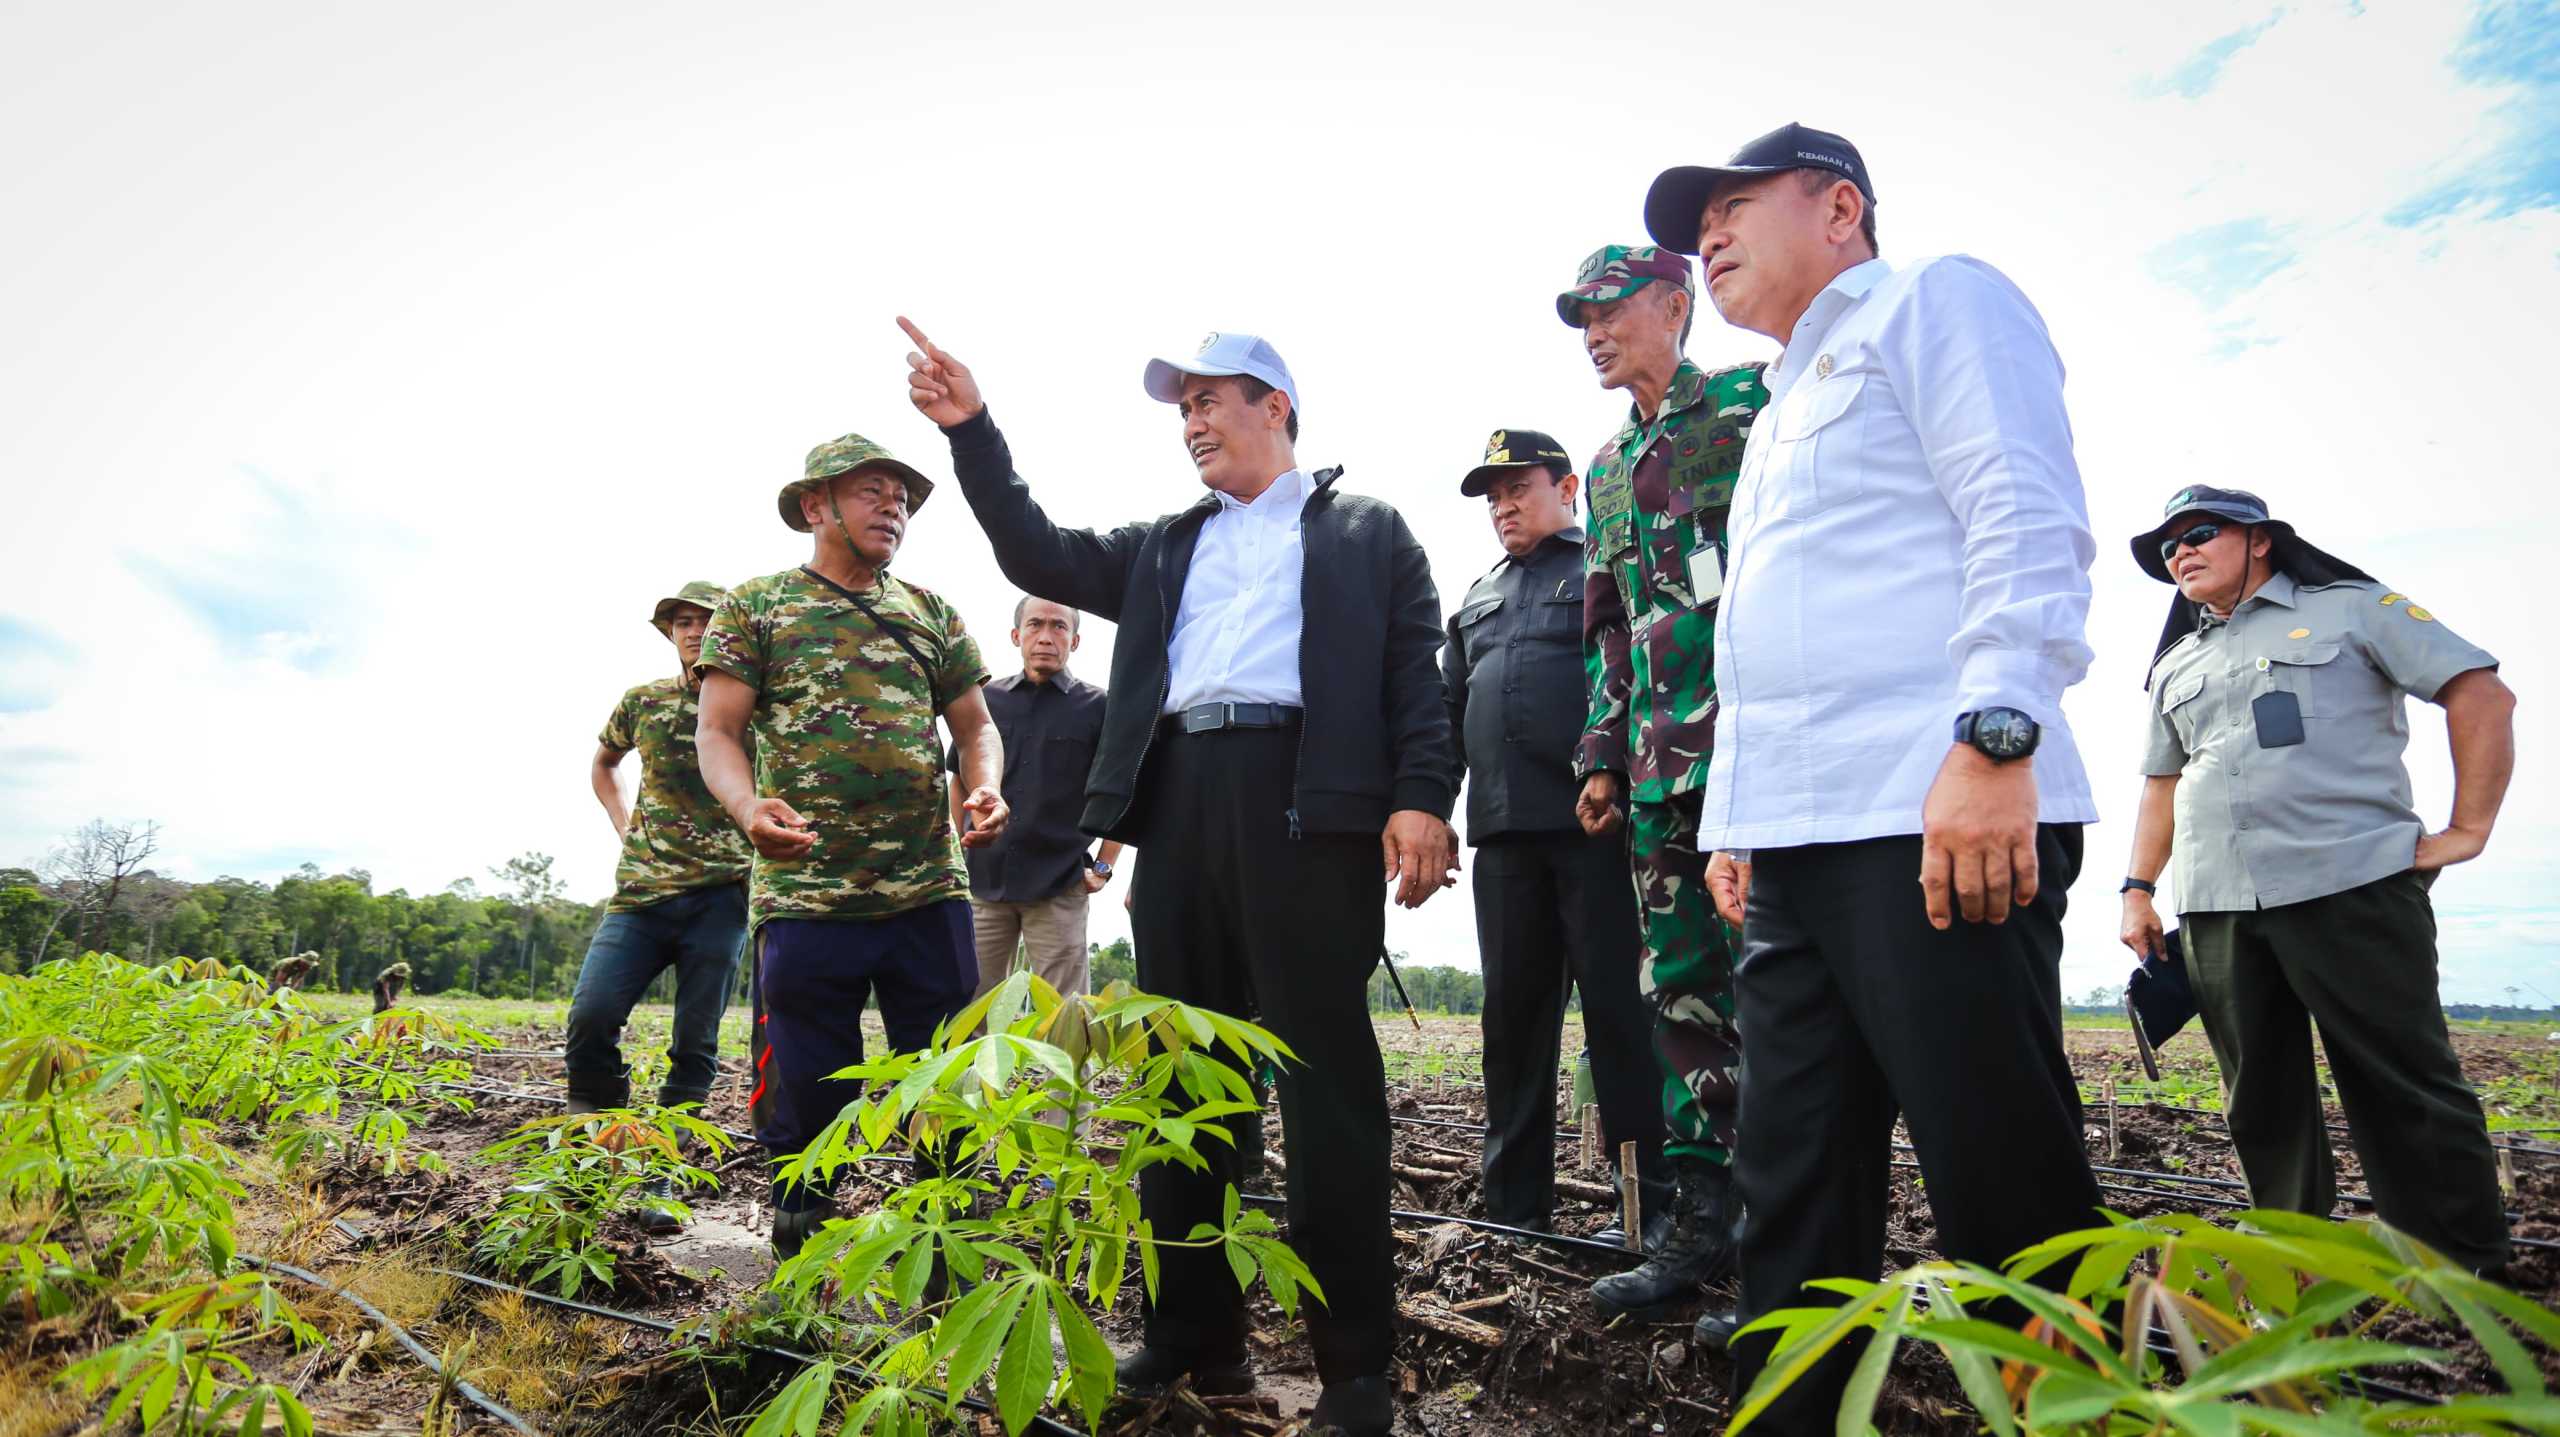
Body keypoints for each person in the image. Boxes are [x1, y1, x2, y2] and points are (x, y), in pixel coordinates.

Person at [900, 317, 1457, 1437]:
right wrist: (972, 431)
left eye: (1212, 399)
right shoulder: (1166, 543)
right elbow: (1035, 550)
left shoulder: (1364, 532)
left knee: (1323, 1079)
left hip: (1313, 811)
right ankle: (1192, 1332)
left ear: (1276, 410)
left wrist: (1420, 800)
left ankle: (1354, 1365)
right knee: (1180, 1078)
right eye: (1183, 405)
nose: (1192, 421)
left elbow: (1417, 672)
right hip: (1184, 802)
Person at [1657, 121, 2105, 1425]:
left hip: (1936, 817)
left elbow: (2023, 514)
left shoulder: (1936, 302)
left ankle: (2071, 1410)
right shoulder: (1781, 402)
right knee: (1789, 1188)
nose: (1710, 239)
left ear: (1840, 207)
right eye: (1701, 226)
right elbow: (1771, 628)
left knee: (2004, 1190)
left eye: (1735, 208)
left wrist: (1994, 737)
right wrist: (1734, 822)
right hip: (1794, 848)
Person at [2121, 484, 2516, 1273]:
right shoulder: (2177, 661)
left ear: (2261, 539)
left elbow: (2480, 692)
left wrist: (2467, 830)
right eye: (2167, 548)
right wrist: (2138, 887)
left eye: (2199, 533)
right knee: (2259, 1098)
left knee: (2401, 1082)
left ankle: (2462, 1270)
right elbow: (2163, 783)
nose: (2180, 553)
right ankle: (2298, 1262)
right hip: (2217, 904)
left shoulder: (2353, 609)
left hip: (2350, 885)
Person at [694, 435, 1010, 1262]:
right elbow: (718, 731)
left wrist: (985, 784)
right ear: (815, 506)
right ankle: (804, 1246)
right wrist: (744, 802)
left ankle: (948, 1238)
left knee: (943, 1069)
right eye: (873, 491)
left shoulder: (932, 612)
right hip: (806, 891)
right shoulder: (757, 605)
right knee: (805, 1074)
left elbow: (976, 727)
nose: (893, 508)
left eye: (902, 497)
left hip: (924, 886)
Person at [1557, 244, 1767, 1316]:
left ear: (1674, 305)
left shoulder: (1751, 403)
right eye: (1578, 318)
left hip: (1757, 752)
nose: (1592, 332)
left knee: (1775, 989)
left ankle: (1787, 1233)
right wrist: (1600, 752)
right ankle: (1700, 1222)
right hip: (1654, 772)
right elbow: (1605, 625)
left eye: (1608, 310)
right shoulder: (1601, 466)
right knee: (1681, 991)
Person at [1443, 428, 1668, 1239]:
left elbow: (1639, 680)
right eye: (1492, 495)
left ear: (1567, 487)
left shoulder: (1603, 568)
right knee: (1511, 1025)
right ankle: (1515, 1212)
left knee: (1618, 1017)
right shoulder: (1477, 595)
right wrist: (1427, 808)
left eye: (1518, 487)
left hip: (1594, 830)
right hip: (1503, 842)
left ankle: (1648, 1207)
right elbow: (1445, 711)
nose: (1503, 505)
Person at [564, 581, 755, 1233]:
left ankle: (665, 1170)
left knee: (694, 1040)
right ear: (668, 632)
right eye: (680, 621)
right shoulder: (643, 702)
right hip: (642, 895)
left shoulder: (755, 708)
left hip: (722, 898)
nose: (693, 630)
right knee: (591, 1015)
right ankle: (592, 1139)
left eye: (705, 620)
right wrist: (624, 825)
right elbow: (603, 763)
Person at [953, 596, 1121, 998]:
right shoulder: (987, 700)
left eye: (1059, 627)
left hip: (1060, 883)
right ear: (1017, 635)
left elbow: (1122, 792)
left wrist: (1102, 867)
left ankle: (1066, 1067)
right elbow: (958, 778)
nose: (1046, 636)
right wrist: (953, 848)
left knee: (1064, 1012)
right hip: (983, 881)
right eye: (1035, 625)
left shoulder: (1100, 707)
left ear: (1075, 640)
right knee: (970, 1005)